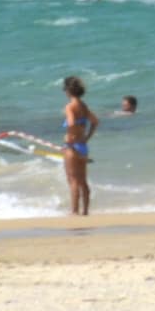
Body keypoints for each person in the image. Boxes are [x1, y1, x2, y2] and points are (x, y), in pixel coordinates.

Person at [61, 75, 98, 216]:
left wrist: (70, 138)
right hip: (83, 146)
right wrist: (87, 137)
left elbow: (71, 123)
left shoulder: (70, 106)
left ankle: (74, 211)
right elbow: (95, 121)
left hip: (72, 147)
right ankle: (85, 211)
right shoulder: (83, 106)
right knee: (83, 181)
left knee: (73, 180)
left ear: (68, 91)